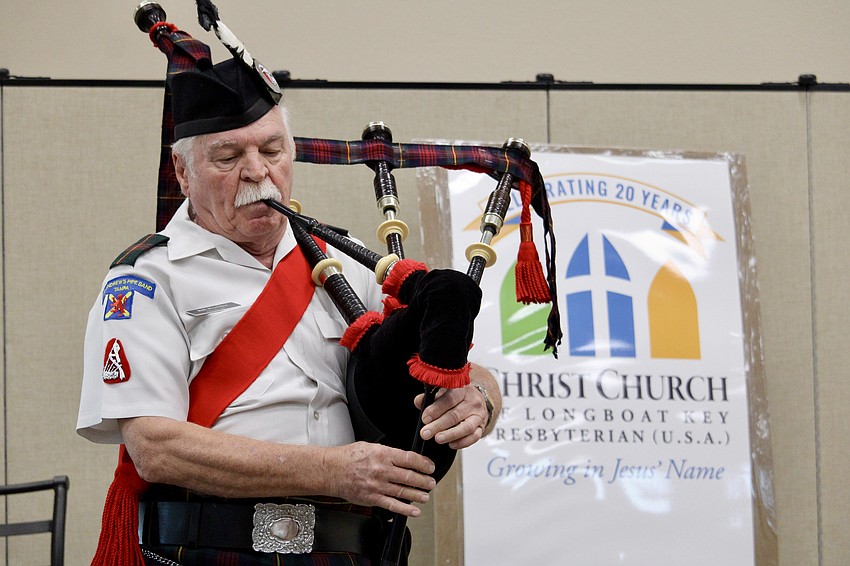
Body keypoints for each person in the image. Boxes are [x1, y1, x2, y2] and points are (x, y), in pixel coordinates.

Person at [76, 54, 501, 565]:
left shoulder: (342, 262)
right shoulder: (147, 278)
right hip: (211, 548)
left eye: (272, 150)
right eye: (228, 157)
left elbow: (427, 360)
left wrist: (477, 398)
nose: (258, 172)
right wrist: (333, 472)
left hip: (349, 550)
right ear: (183, 173)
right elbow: (156, 446)